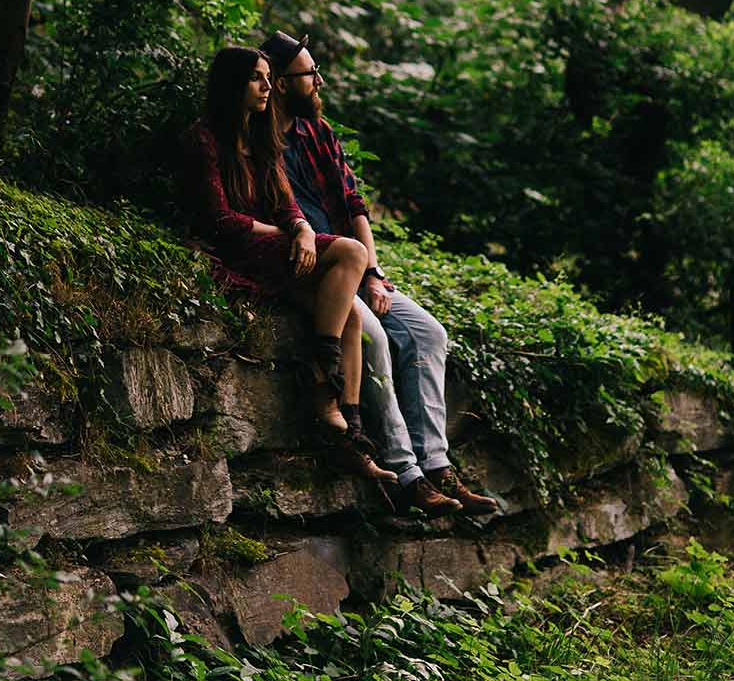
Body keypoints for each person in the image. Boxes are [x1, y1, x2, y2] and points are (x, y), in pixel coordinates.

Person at [260, 30, 499, 520]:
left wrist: (373, 273)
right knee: (372, 338)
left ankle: (437, 466)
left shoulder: (318, 135)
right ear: (282, 84)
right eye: (310, 74)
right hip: (313, 271)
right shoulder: (259, 144)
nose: (319, 80)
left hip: (356, 267)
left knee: (427, 332)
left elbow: (355, 208)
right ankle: (406, 475)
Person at [181, 45, 396, 483]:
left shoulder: (261, 137)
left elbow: (287, 203)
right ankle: (322, 373)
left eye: (267, 77)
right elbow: (219, 219)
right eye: (257, 78)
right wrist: (287, 234)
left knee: (351, 313)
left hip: (275, 250)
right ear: (232, 85)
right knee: (352, 252)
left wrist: (300, 229)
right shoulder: (203, 138)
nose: (266, 87)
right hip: (235, 250)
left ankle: (350, 439)